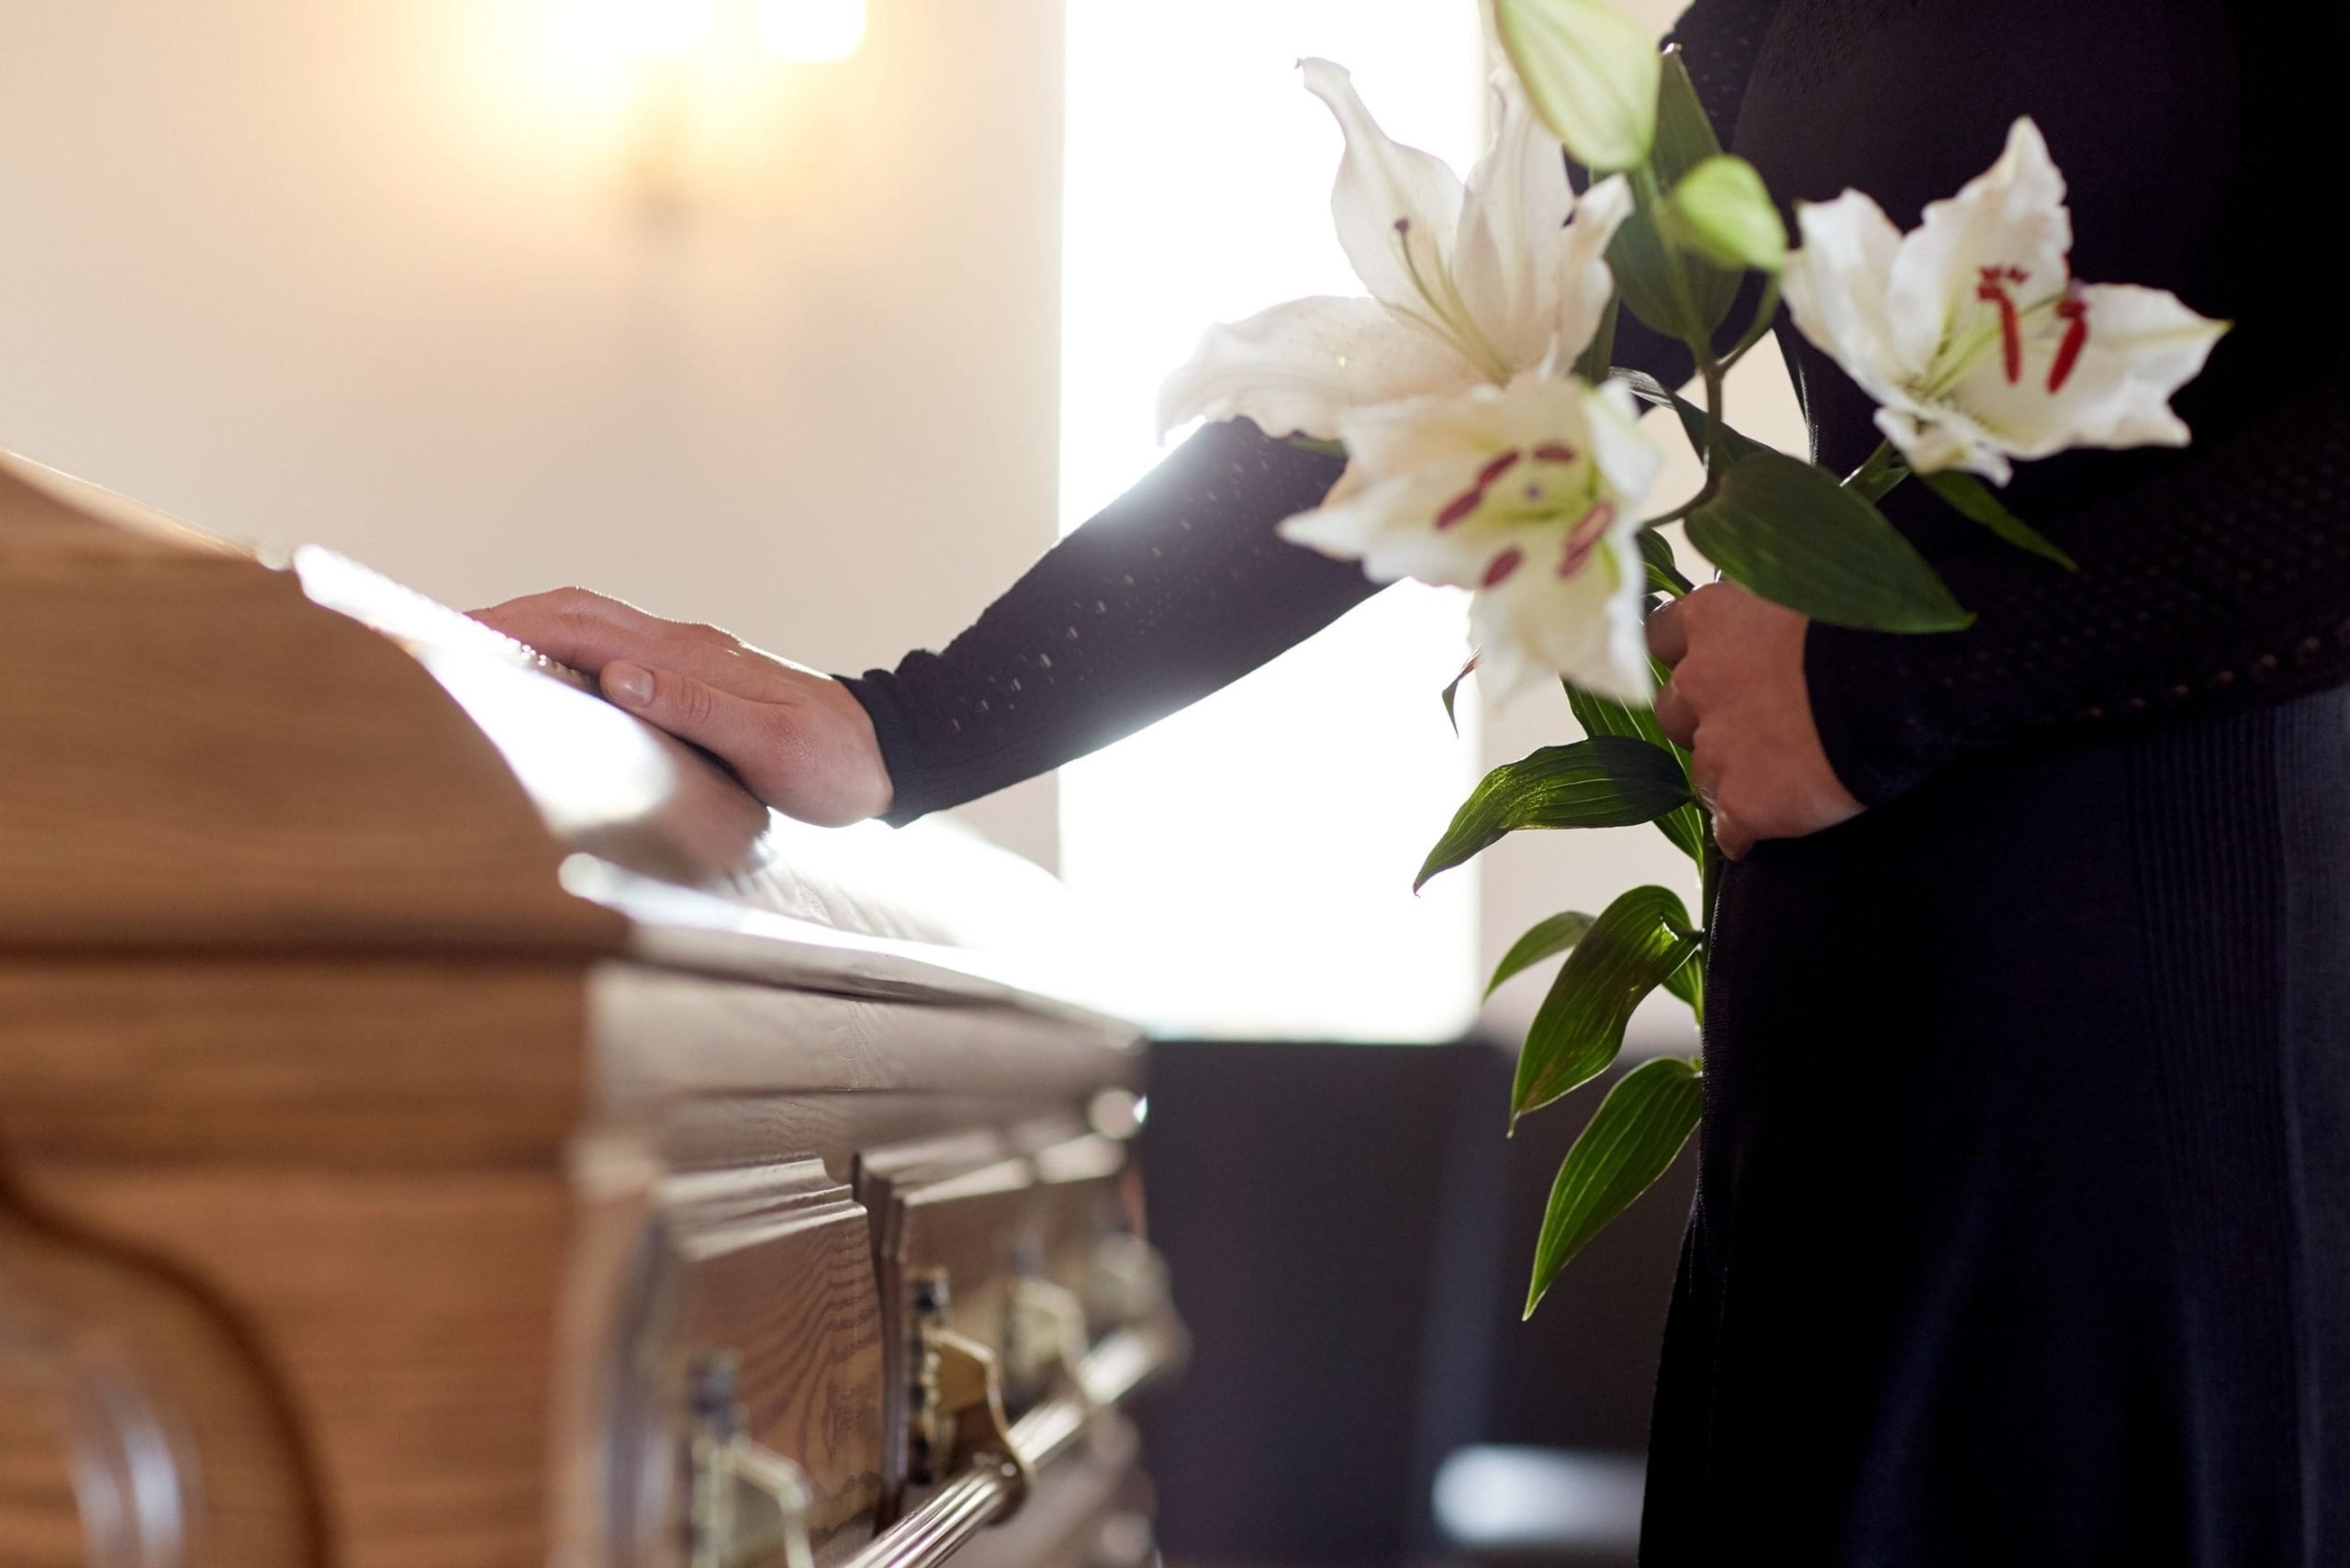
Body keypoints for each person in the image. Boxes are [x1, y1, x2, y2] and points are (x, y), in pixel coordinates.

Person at [476, 1, 2350, 1560]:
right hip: (1854, 1058)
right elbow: (1460, 373)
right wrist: (915, 723)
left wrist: (1895, 680)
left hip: (2180, 1070)